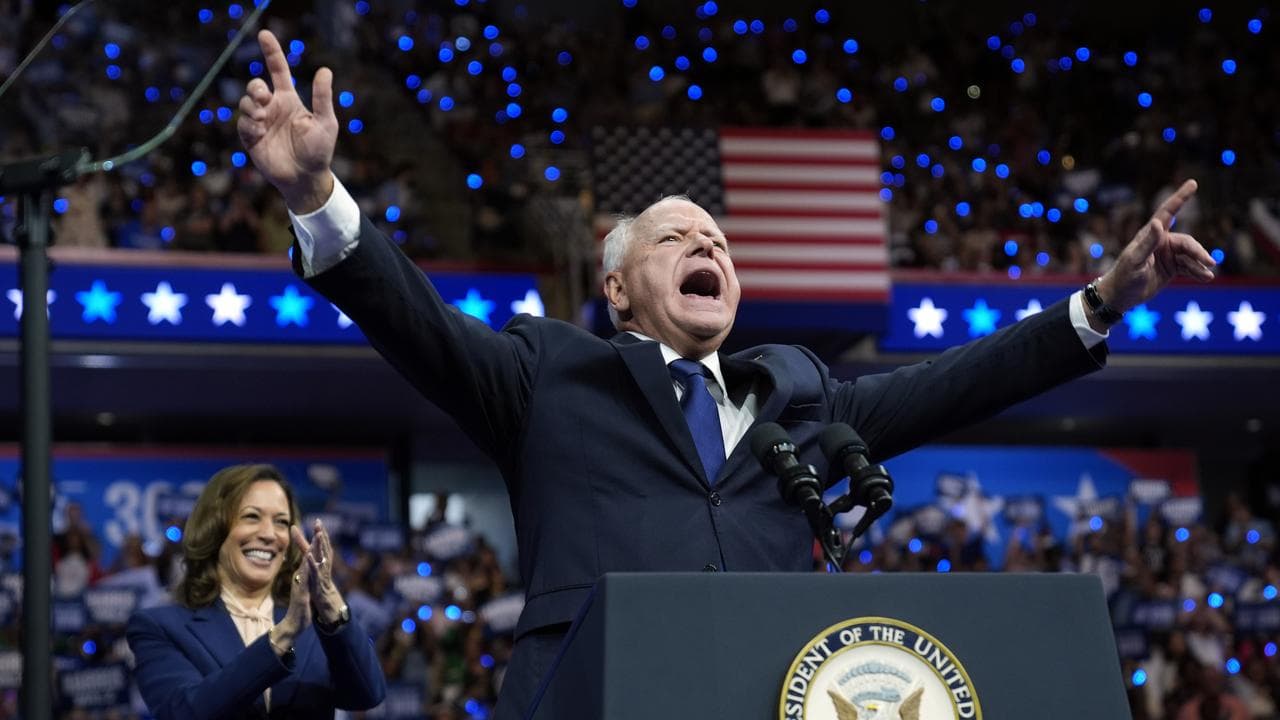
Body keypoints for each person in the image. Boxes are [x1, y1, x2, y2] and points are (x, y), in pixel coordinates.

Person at [236, 28, 1218, 717]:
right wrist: (318, 195)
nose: (706, 241)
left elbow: (958, 380)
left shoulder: (797, 391)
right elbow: (418, 323)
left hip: (770, 693)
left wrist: (1100, 300)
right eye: (675, 237)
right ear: (617, 290)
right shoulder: (549, 371)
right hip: (597, 695)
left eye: (715, 237)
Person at [126, 464, 386, 719]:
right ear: (214, 528)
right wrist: (285, 633)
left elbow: (367, 694)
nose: (269, 534)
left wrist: (330, 604)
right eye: (252, 516)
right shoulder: (159, 626)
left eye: (281, 522)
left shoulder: (320, 626)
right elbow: (183, 712)